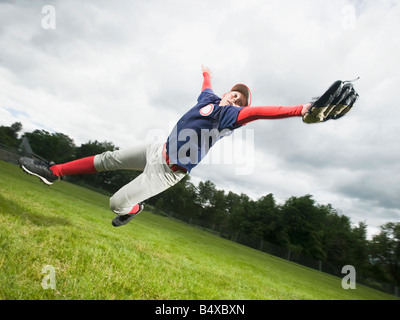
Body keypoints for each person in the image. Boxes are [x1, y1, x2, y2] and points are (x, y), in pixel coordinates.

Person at [19, 65, 311, 227]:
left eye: (240, 100)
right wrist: (206, 72)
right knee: (108, 158)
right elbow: (206, 84)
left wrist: (300, 109)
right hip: (157, 149)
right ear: (226, 92)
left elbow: (262, 111)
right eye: (234, 94)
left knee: (115, 204)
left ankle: (133, 209)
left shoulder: (228, 117)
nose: (235, 99)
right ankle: (54, 171)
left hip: (168, 171)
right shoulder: (208, 100)